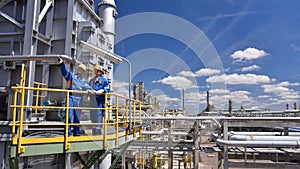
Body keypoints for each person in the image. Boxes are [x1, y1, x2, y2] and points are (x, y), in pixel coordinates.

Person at [58, 57, 89, 136]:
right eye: (79, 69)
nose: (80, 70)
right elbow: (65, 72)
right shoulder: (71, 76)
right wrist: (62, 64)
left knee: (77, 117)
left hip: (79, 99)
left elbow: (88, 87)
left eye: (81, 70)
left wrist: (92, 91)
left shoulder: (84, 81)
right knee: (69, 116)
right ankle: (67, 134)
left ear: (83, 72)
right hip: (71, 97)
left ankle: (76, 133)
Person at [88, 65, 110, 135]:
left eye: (97, 71)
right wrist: (89, 90)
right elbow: (88, 87)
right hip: (92, 100)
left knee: (99, 115)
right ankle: (94, 131)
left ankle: (98, 132)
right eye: (95, 70)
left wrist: (102, 90)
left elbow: (107, 88)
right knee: (92, 115)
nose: (96, 72)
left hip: (100, 100)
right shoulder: (91, 80)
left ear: (100, 72)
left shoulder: (104, 80)